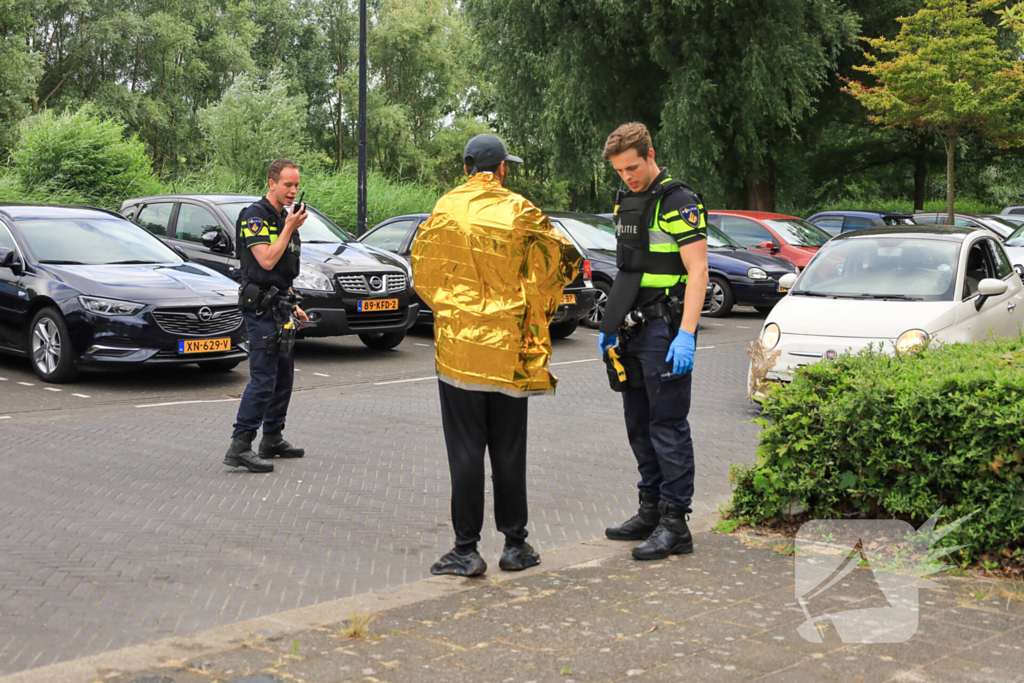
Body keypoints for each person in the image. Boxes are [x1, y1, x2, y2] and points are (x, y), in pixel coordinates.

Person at [411, 134, 581, 576]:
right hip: (509, 351)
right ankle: (515, 545)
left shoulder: (445, 209)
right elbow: (564, 258)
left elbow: (423, 273)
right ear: (502, 168)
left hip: (460, 353)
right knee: (509, 448)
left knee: (465, 451)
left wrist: (455, 310)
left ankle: (465, 550)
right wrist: (530, 305)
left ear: (466, 166)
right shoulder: (520, 210)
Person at [598, 122, 709, 560]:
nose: (627, 176)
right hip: (633, 328)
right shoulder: (626, 200)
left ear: (650, 155)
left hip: (665, 329)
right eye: (619, 171)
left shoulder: (679, 201)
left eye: (633, 167)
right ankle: (650, 510)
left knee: (667, 426)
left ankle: (676, 524)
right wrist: (611, 324)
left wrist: (687, 335)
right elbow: (630, 268)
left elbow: (698, 271)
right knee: (639, 424)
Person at [223, 158, 310, 473]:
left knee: (283, 377)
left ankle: (272, 438)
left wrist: (292, 301)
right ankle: (240, 446)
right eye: (288, 184)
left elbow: (283, 270)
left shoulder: (284, 217)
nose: (293, 191)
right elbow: (267, 261)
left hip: (281, 307)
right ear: (272, 183)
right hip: (260, 309)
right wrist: (289, 228)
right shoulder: (255, 217)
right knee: (263, 379)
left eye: (296, 185)